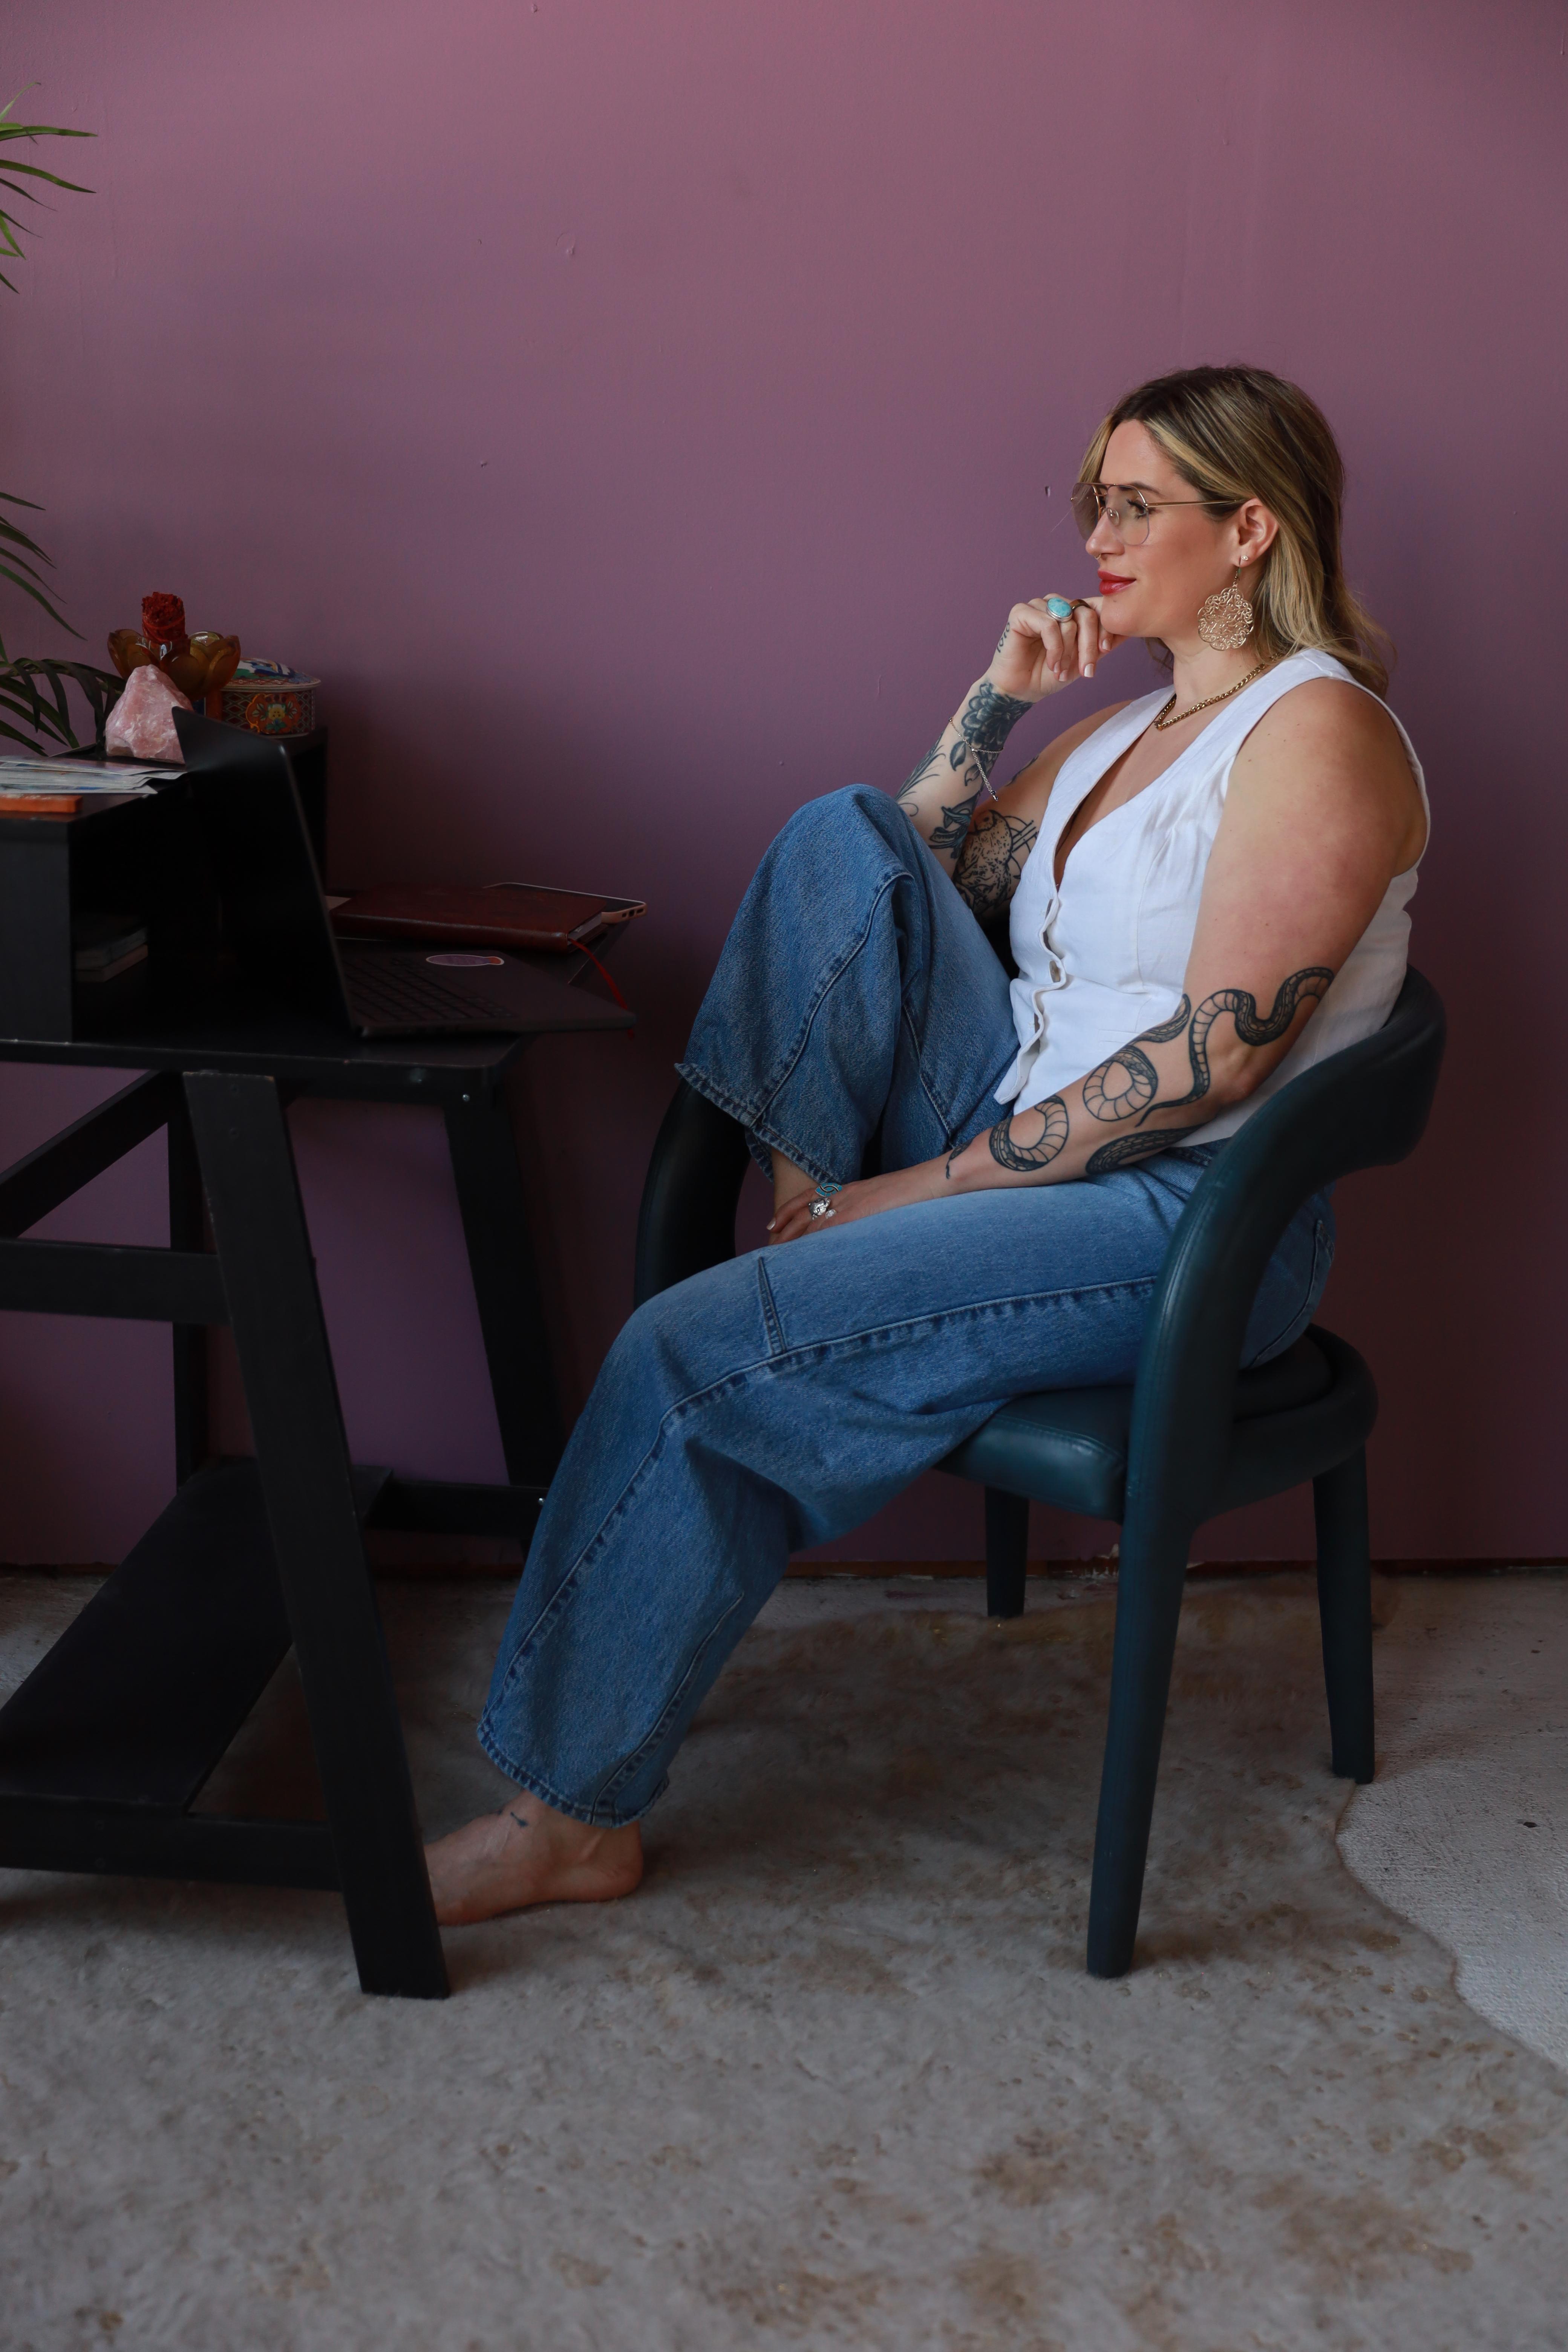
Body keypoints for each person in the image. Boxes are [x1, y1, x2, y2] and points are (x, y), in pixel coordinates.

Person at [426, 364, 1429, 1926]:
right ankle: (800, 1209)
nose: (1096, 536)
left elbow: (1211, 1060)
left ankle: (566, 1822)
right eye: (1092, 501)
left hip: (1189, 1217)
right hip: (1021, 1140)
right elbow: (892, 881)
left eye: (1136, 505)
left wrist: (911, 1194)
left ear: (1248, 529)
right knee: (843, 826)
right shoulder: (1118, 735)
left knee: (691, 1348)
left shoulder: (1318, 732)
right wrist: (1001, 698)